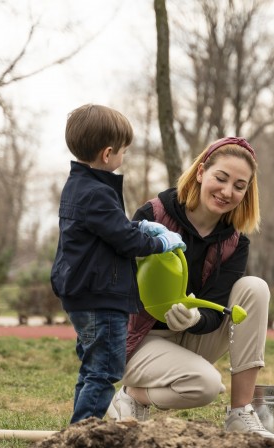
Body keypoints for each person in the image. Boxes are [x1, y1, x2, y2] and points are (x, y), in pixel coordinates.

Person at [107, 136, 274, 441]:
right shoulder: (153, 215)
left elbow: (216, 311)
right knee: (206, 386)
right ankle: (131, 395)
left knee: (255, 287)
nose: (227, 192)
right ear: (201, 172)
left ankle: (241, 412)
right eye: (221, 178)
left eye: (239, 186)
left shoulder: (235, 242)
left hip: (190, 336)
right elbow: (118, 285)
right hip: (138, 340)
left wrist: (196, 318)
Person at [51, 104, 186, 424]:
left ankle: (82, 426)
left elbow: (107, 232)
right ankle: (84, 433)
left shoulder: (78, 186)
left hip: (82, 291)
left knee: (92, 365)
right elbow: (125, 242)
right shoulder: (97, 193)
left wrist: (139, 226)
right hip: (100, 295)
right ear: (108, 154)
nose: (124, 156)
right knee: (107, 367)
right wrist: (158, 242)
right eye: (124, 151)